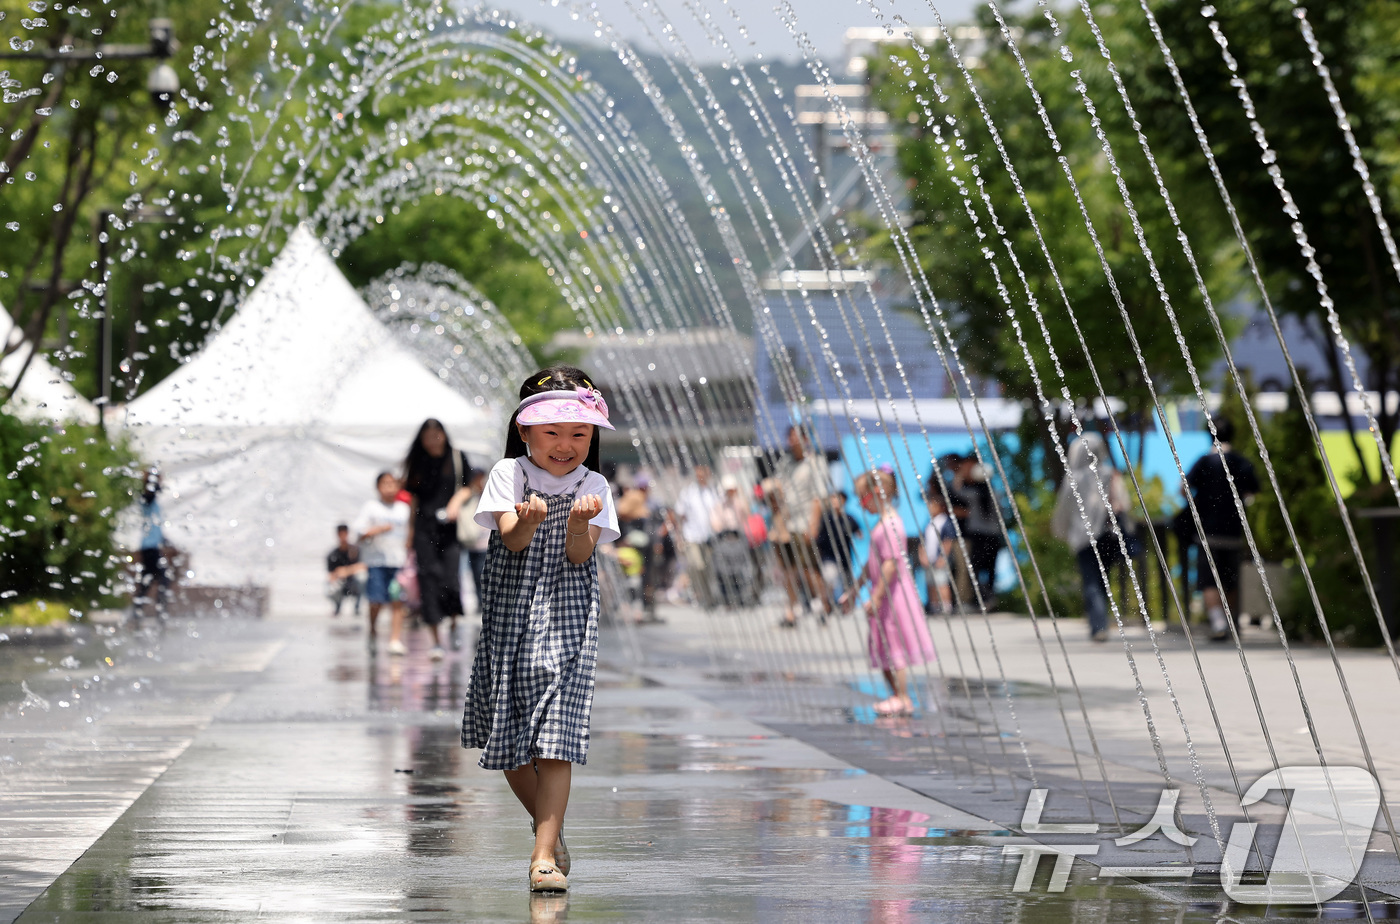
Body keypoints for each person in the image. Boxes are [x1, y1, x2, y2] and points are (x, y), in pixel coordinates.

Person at [462, 365, 620, 893]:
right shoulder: (509, 475)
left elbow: (580, 554)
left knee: (556, 736)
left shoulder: (595, 485)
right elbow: (510, 539)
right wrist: (528, 519)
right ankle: (548, 831)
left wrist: (578, 524)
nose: (565, 444)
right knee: (510, 742)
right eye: (552, 432)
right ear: (525, 430)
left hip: (570, 616)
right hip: (512, 618)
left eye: (579, 433)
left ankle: (543, 856)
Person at [839, 468, 936, 716]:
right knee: (883, 644)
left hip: (893, 596)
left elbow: (890, 563)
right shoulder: (883, 523)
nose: (861, 504)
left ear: (877, 494)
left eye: (863, 498)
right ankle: (895, 694)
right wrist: (854, 590)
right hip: (884, 593)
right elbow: (871, 563)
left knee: (895, 646)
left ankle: (902, 696)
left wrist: (877, 595)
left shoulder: (893, 525)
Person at [403, 418, 473, 660]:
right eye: (427, 437)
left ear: (444, 435)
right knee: (428, 581)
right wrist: (409, 533)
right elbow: (413, 499)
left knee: (451, 580)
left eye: (436, 435)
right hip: (424, 529)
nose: (432, 440)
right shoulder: (418, 461)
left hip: (450, 529)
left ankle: (453, 624)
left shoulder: (456, 456)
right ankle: (435, 641)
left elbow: (470, 485)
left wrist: (455, 502)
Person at [1185, 417, 1261, 640]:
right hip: (1234, 531)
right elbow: (1253, 491)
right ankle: (1231, 622)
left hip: (1208, 531)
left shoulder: (1204, 462)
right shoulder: (1241, 462)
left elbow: (1184, 489)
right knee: (1230, 578)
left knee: (1209, 580)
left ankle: (1218, 623)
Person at [1051, 432, 1131, 641]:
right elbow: (1125, 503)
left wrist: (1059, 531)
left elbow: (1063, 509)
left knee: (1090, 580)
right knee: (1103, 579)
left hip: (1083, 536)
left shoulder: (1073, 478)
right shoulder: (1110, 474)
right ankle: (1101, 621)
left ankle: (1098, 625)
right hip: (1107, 534)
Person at [767, 425, 832, 627]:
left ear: (805, 439)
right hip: (785, 523)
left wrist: (813, 524)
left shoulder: (815, 463)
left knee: (808, 568)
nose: (791, 442)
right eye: (789, 438)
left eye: (795, 437)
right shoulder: (786, 462)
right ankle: (792, 611)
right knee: (787, 569)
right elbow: (777, 486)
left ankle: (822, 604)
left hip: (804, 521)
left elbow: (818, 497)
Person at [353, 472, 410, 654]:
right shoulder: (371, 507)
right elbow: (359, 532)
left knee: (397, 600)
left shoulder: (404, 509)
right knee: (376, 600)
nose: (389, 487)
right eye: (385, 483)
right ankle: (372, 629)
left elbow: (411, 532)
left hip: (398, 562)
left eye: (392, 483)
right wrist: (378, 529)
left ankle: (394, 639)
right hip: (376, 562)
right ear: (378, 487)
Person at [949, 454, 1003, 607]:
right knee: (991, 569)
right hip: (994, 536)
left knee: (975, 568)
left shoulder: (972, 494)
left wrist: (960, 475)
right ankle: (990, 597)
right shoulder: (996, 494)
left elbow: (955, 491)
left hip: (978, 536)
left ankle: (981, 598)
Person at [674, 464, 721, 607]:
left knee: (710, 568)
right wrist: (679, 536)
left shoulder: (714, 492)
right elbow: (680, 516)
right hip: (692, 536)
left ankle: (711, 596)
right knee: (697, 566)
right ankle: (703, 595)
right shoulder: (688, 493)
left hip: (711, 536)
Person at [134, 468, 171, 617]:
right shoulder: (148, 500)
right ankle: (159, 615)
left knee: (148, 582)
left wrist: (166, 540)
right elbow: (151, 491)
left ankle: (137, 614)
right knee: (162, 579)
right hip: (149, 548)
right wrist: (152, 478)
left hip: (151, 547)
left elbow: (156, 528)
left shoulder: (153, 503)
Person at [814, 490, 861, 604]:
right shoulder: (825, 518)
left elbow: (859, 533)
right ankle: (827, 604)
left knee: (845, 585)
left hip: (845, 559)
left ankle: (840, 606)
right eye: (833, 498)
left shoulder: (849, 519)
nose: (835, 501)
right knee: (830, 580)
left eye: (838, 498)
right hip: (829, 557)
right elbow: (817, 536)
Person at [458, 468, 491, 617]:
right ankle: (480, 602)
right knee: (476, 575)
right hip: (472, 542)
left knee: (483, 575)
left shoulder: (489, 493)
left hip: (485, 543)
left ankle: (484, 602)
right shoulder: (468, 495)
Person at [920, 490, 957, 615]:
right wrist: (922, 556)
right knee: (931, 583)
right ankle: (934, 605)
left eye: (932, 505)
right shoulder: (929, 522)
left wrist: (943, 557)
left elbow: (947, 542)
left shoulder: (945, 522)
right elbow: (922, 541)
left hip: (939, 558)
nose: (930, 508)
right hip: (929, 558)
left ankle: (946, 606)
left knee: (942, 582)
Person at [325, 524, 365, 618]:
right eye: (340, 534)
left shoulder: (355, 550)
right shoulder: (332, 554)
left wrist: (346, 571)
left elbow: (364, 566)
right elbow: (330, 575)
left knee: (363, 577)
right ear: (337, 535)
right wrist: (338, 574)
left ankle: (357, 607)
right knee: (330, 587)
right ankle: (338, 606)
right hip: (341, 583)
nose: (343, 536)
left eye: (344, 533)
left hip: (354, 583)